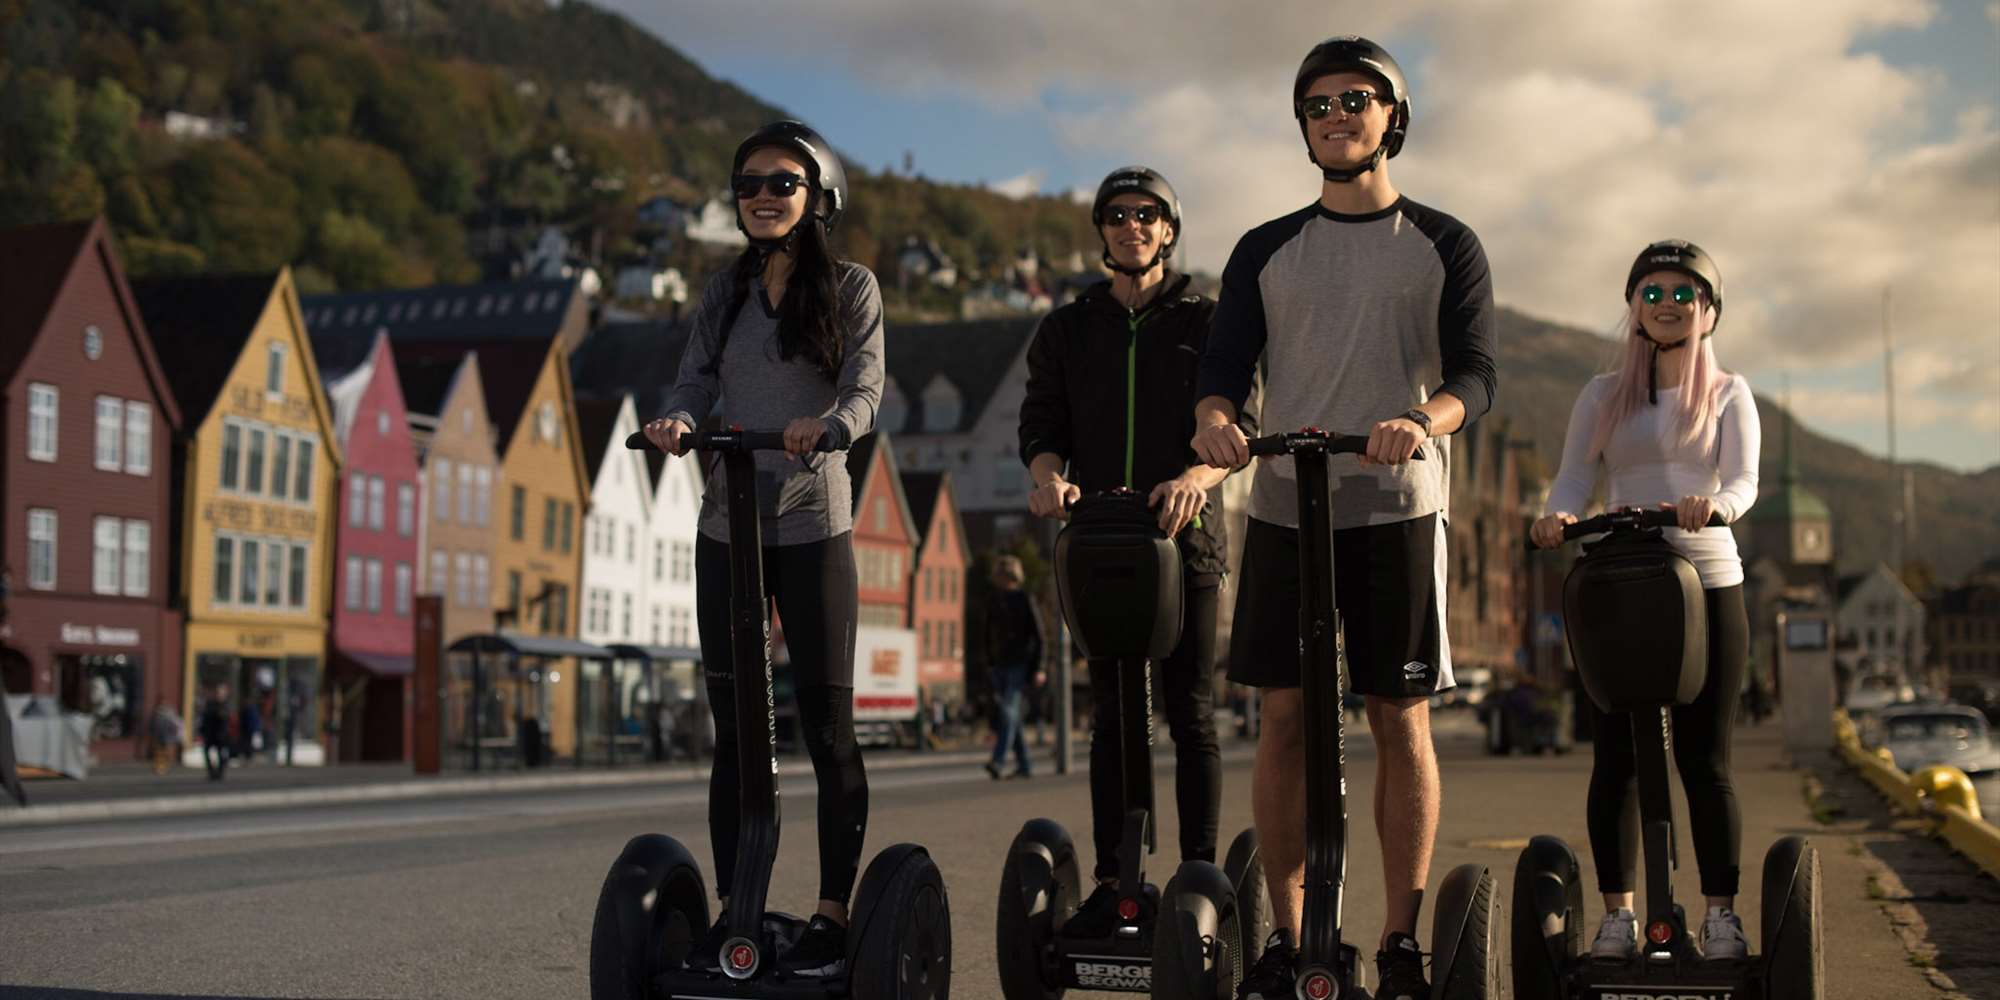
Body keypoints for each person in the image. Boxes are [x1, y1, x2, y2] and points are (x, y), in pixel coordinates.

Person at [1190, 36, 1497, 1000]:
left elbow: (1476, 377)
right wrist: (1216, 424)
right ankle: (1289, 943)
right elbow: (1220, 379)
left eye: (1355, 100)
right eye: (1318, 105)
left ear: (1392, 116)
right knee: (1282, 717)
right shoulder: (1264, 249)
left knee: (1397, 715)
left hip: (1397, 507)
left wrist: (1420, 419)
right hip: (1285, 505)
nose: (1336, 117)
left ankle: (1401, 941)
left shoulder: (1445, 243)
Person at [642, 119, 883, 980]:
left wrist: (832, 427)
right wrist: (679, 417)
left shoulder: (852, 286)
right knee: (736, 732)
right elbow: (698, 376)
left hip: (815, 523)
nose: (763, 196)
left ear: (818, 196)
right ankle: (734, 911)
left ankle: (828, 913)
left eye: (783, 182)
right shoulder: (724, 291)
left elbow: (863, 382)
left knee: (826, 730)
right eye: (749, 183)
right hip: (728, 524)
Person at [1017, 165, 1257, 937]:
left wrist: (1197, 475)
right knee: (1114, 719)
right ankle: (1117, 882)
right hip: (1100, 543)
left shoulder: (1207, 319)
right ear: (1102, 231)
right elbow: (1042, 425)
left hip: (1186, 543)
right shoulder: (1066, 326)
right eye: (1118, 215)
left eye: (1148, 214)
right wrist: (1048, 478)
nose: (1133, 225)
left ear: (1170, 229)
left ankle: (1200, 879)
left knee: (1189, 712)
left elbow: (1236, 425)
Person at [1531, 238, 1760, 961]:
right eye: (1652, 293)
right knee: (1618, 760)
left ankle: (1721, 914)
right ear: (1634, 307)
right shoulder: (1602, 394)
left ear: (1709, 309)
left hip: (1706, 582)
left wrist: (1715, 504)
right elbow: (1573, 477)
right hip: (1624, 583)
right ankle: (1619, 916)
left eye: (1682, 293)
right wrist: (1557, 516)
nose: (1666, 305)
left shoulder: (1729, 393)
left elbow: (1744, 482)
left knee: (1705, 758)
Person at [980, 555, 1043, 780]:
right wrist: (988, 663)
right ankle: (1025, 764)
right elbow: (986, 634)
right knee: (1011, 716)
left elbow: (1038, 635)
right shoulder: (993, 600)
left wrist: (1039, 668)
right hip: (999, 665)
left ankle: (997, 761)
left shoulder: (1024, 598)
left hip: (1019, 664)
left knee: (1008, 711)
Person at [199, 684, 232, 781]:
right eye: (217, 693)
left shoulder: (225, 705)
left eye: (220, 693)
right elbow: (205, 717)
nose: (218, 695)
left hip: (221, 735)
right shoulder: (210, 704)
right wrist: (202, 730)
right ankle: (211, 771)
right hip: (210, 733)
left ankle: (219, 772)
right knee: (206, 752)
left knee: (221, 754)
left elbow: (225, 718)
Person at [150, 701, 185, 775]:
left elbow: (176, 728)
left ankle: (162, 767)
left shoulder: (167, 719)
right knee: (160, 754)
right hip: (163, 738)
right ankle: (160, 767)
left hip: (166, 739)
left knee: (163, 754)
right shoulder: (160, 718)